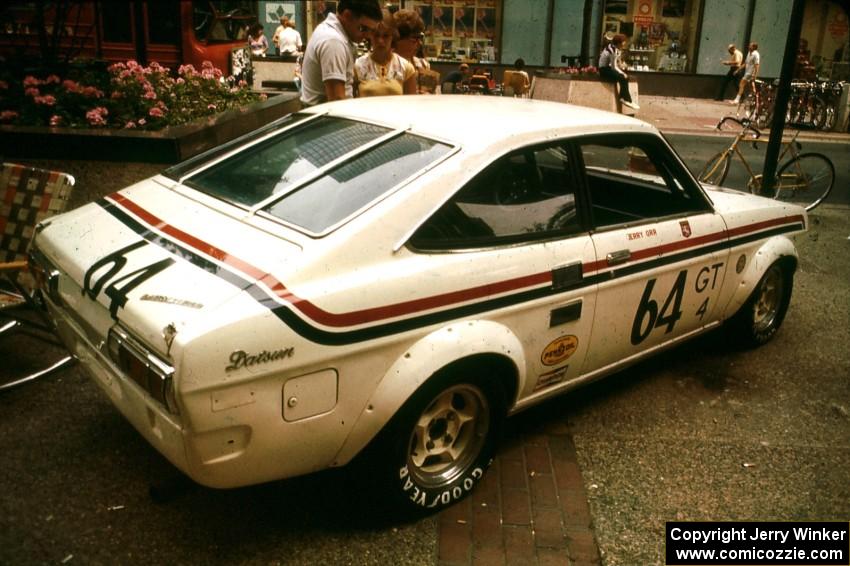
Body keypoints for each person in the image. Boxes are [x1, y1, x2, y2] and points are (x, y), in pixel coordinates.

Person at [300, 0, 383, 106]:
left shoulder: (329, 31)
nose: (368, 36)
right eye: (363, 28)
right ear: (347, 16)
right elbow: (336, 99)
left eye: (372, 31)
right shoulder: (334, 42)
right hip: (326, 117)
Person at [354, 10, 417, 97]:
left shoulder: (406, 68)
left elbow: (411, 105)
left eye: (386, 36)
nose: (380, 41)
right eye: (376, 35)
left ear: (393, 36)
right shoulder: (358, 66)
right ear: (370, 36)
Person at [393, 9, 436, 94]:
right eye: (414, 38)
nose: (419, 43)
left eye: (420, 38)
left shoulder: (423, 65)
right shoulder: (386, 65)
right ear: (397, 39)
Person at [598, 33, 639, 110]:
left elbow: (616, 63)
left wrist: (622, 69)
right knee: (623, 77)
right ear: (618, 43)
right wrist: (622, 73)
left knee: (624, 77)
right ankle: (625, 99)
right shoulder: (612, 50)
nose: (624, 43)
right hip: (603, 70)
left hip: (607, 67)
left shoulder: (614, 48)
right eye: (623, 42)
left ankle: (624, 97)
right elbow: (614, 67)